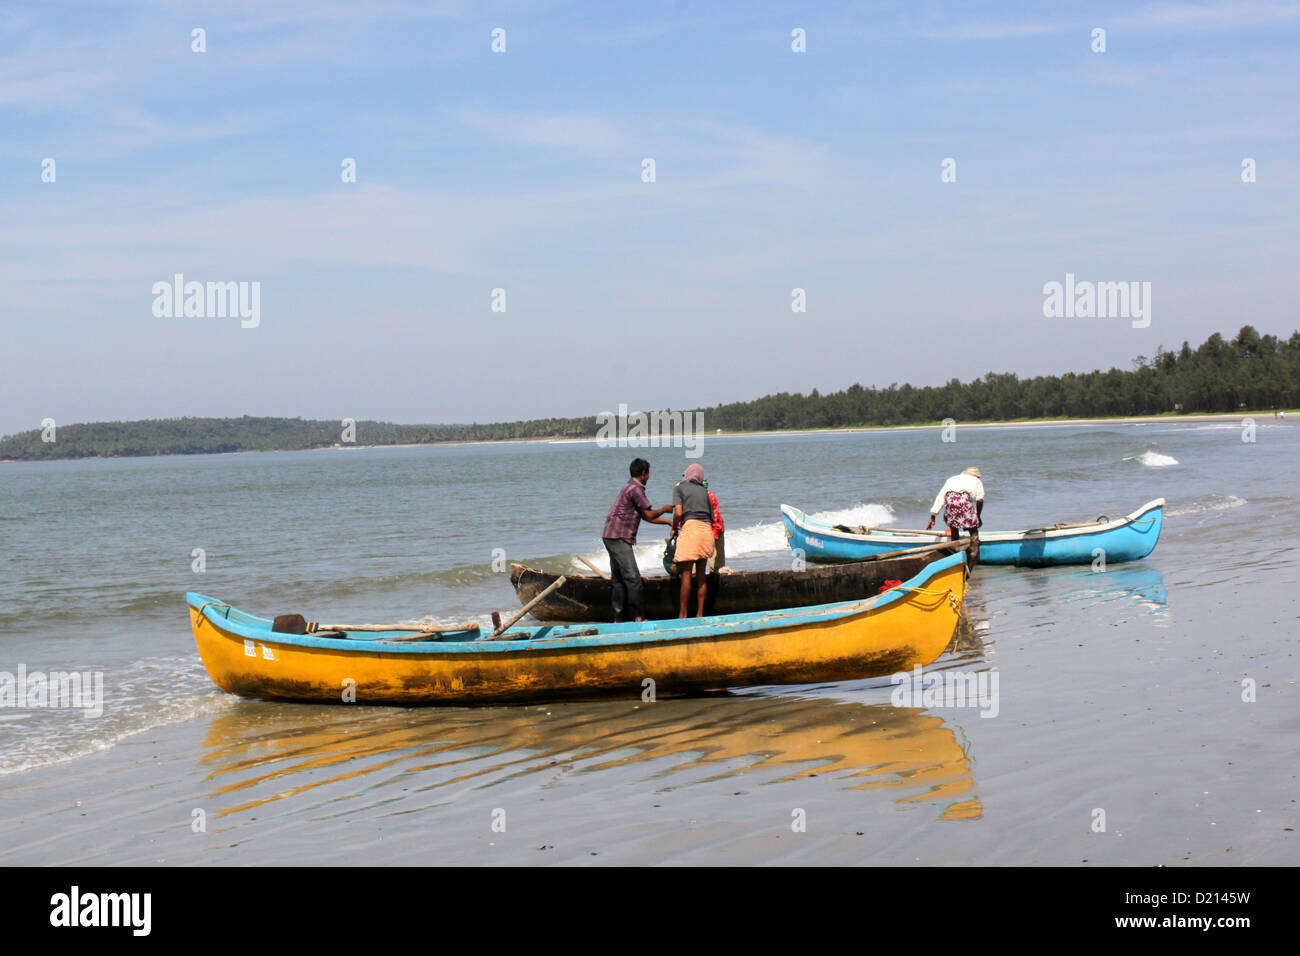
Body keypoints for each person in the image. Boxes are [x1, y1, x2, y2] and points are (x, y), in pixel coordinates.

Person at [602, 458, 673, 622]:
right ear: (643, 473)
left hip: (610, 535)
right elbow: (649, 514)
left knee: (619, 580)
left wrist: (667, 522)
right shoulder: (636, 489)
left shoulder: (629, 487)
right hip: (619, 537)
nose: (648, 477)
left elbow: (645, 516)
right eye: (648, 474)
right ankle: (638, 617)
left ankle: (618, 619)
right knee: (633, 579)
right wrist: (665, 509)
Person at [670, 463, 715, 617]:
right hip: (706, 532)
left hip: (691, 530)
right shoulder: (704, 491)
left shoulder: (679, 488)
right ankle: (700, 614)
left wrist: (674, 528)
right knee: (701, 575)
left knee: (687, 574)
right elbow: (712, 517)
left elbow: (678, 513)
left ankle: (682, 615)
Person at [925, 466, 985, 565]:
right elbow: (980, 499)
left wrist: (933, 516)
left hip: (950, 500)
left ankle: (956, 557)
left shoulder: (952, 479)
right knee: (973, 531)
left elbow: (941, 497)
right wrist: (978, 516)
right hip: (964, 501)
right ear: (977, 476)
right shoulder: (976, 480)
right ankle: (974, 557)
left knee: (954, 529)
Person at [705, 479, 729, 573]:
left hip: (713, 528)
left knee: (696, 562)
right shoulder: (710, 495)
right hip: (713, 528)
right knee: (717, 564)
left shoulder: (704, 496)